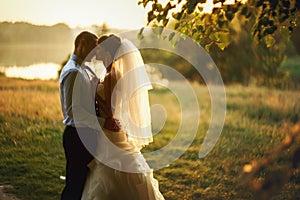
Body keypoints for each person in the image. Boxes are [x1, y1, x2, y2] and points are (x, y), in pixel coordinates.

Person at [81, 34, 165, 200]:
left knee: (113, 170)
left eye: (99, 49)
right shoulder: (111, 73)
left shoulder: (112, 75)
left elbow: (110, 110)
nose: (96, 53)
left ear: (107, 52)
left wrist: (93, 92)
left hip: (110, 132)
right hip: (109, 131)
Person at [59, 31, 120, 200]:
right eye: (93, 47)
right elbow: (73, 111)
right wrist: (103, 123)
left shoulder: (83, 69)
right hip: (77, 135)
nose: (95, 53)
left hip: (85, 134)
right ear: (82, 45)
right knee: (74, 186)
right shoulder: (73, 72)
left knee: (82, 185)